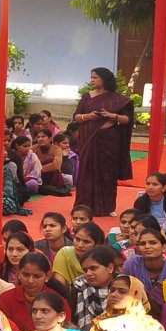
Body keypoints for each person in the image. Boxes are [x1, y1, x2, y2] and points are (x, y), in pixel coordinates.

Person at [70, 67, 134, 218]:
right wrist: (89, 116)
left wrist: (112, 115)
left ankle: (107, 206)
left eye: (95, 77)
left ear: (104, 79)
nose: (92, 80)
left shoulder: (117, 98)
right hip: (88, 138)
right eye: (91, 77)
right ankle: (83, 206)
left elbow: (127, 119)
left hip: (110, 140)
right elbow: (77, 117)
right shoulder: (87, 97)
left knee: (107, 173)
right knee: (86, 171)